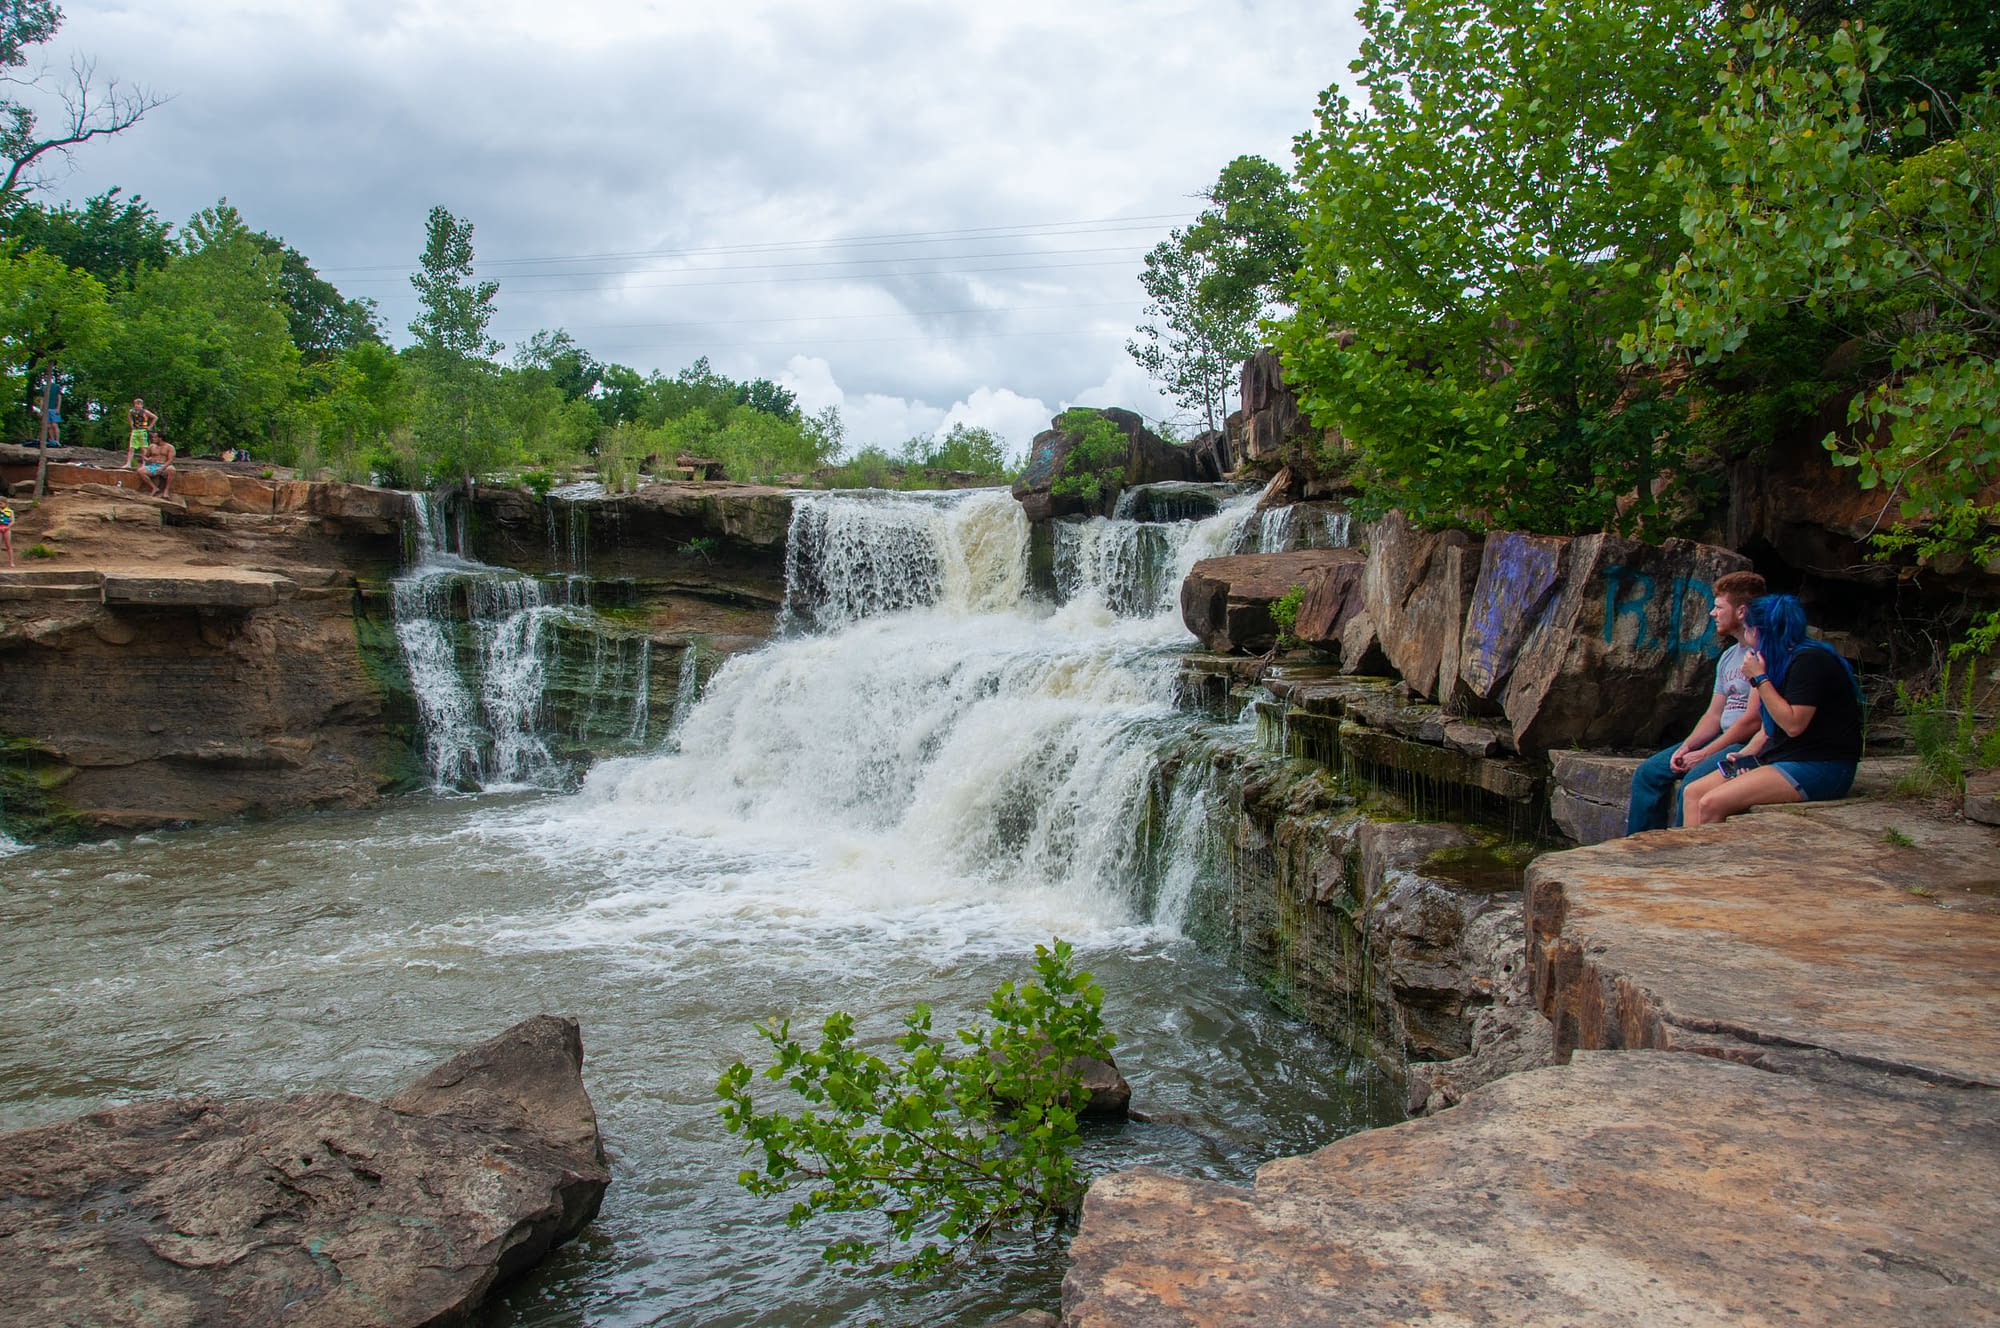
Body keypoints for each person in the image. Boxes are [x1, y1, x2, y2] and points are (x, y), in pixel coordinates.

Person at [1681, 593, 1863, 825]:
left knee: (1711, 802)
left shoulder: (1810, 661)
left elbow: (1794, 725)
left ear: (1757, 631)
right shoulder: (1776, 660)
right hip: (1781, 757)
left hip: (1820, 766)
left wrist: (1760, 679)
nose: (1745, 637)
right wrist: (1745, 755)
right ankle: (1690, 860)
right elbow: (1768, 730)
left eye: (1747, 630)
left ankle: (1707, 860)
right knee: (1693, 793)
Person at [1624, 570, 1768, 834]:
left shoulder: (1763, 653)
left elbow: (1752, 721)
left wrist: (1704, 754)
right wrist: (1687, 746)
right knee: (1648, 773)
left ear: (1741, 612)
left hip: (1745, 743)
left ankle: (1679, 852)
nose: (1713, 613)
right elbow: (1714, 715)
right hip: (1722, 737)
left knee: (1693, 781)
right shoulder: (1728, 657)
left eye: (1718, 607)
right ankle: (1640, 849)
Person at [127, 398, 157, 470]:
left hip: (142, 430)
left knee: (143, 448)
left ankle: (144, 464)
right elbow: (130, 418)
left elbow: (155, 417)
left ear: (141, 405)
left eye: (139, 404)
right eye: (136, 404)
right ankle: (128, 463)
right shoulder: (132, 411)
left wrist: (150, 427)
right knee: (131, 447)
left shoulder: (145, 412)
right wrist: (131, 425)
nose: (137, 406)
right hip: (135, 430)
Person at [0, 501, 14, 567]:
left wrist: (7, 527)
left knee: (8, 545)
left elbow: (12, 521)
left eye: (1, 503)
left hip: (6, 529)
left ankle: (11, 562)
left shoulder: (10, 511)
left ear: (5, 503)